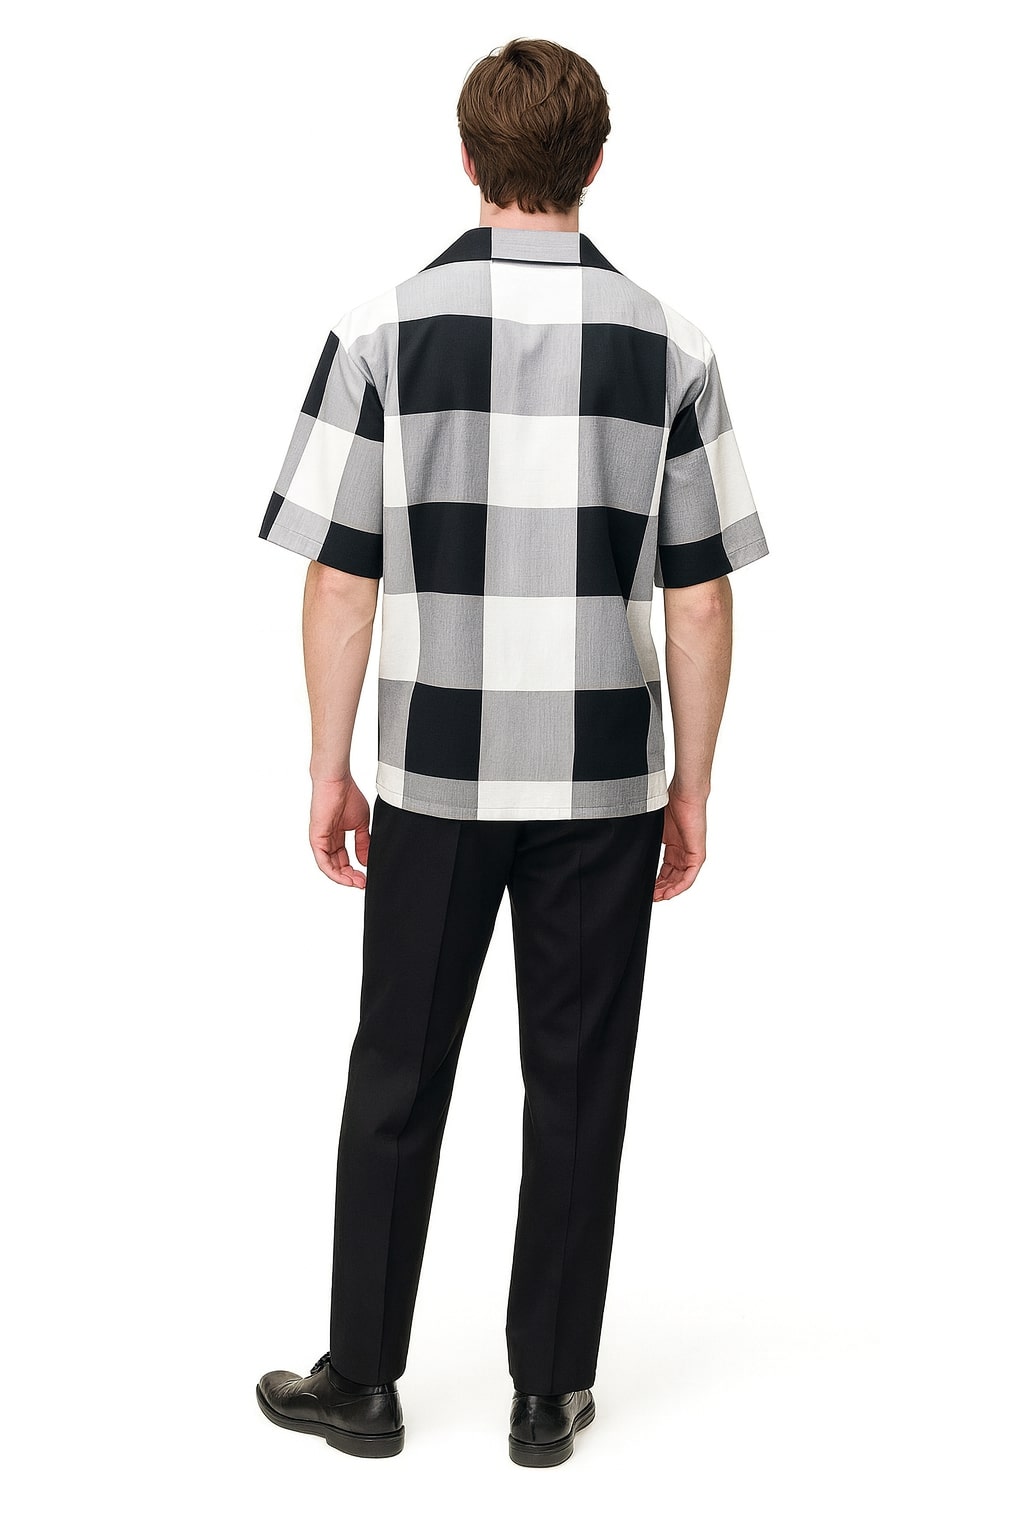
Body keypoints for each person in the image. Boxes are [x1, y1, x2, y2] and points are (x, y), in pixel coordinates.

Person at [254, 36, 769, 1468]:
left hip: (434, 770)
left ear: (468, 157)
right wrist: (693, 783)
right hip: (604, 779)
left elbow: (341, 577)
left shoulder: (379, 331)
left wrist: (327, 765)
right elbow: (701, 595)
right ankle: (549, 1395)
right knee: (580, 1082)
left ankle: (364, 1380)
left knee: (398, 1071)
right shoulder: (671, 344)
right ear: (595, 162)